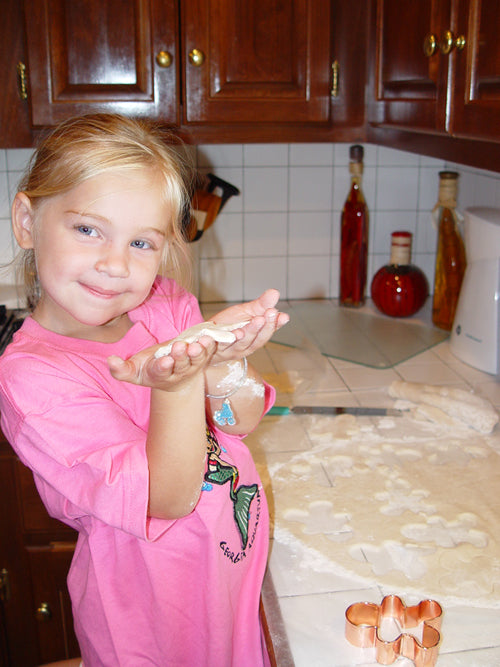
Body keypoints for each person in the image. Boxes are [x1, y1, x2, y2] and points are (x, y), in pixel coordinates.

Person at [0, 114, 289, 666]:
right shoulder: (32, 378)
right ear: (27, 221)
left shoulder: (164, 305)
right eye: (88, 229)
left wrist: (226, 364)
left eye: (141, 241)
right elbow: (167, 497)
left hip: (228, 574)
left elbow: (237, 421)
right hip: (149, 615)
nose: (115, 264)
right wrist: (178, 386)